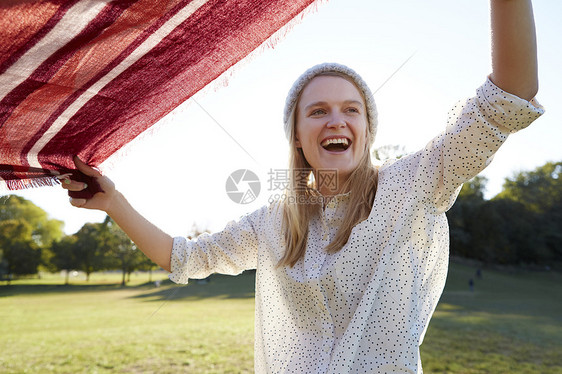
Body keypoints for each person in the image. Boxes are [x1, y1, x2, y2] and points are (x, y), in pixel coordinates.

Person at [62, 1, 543, 372]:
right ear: (297, 135)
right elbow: (185, 257)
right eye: (318, 111)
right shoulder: (275, 219)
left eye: (351, 109)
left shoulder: (414, 184)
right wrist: (113, 201)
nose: (337, 119)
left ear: (367, 129)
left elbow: (509, 95)